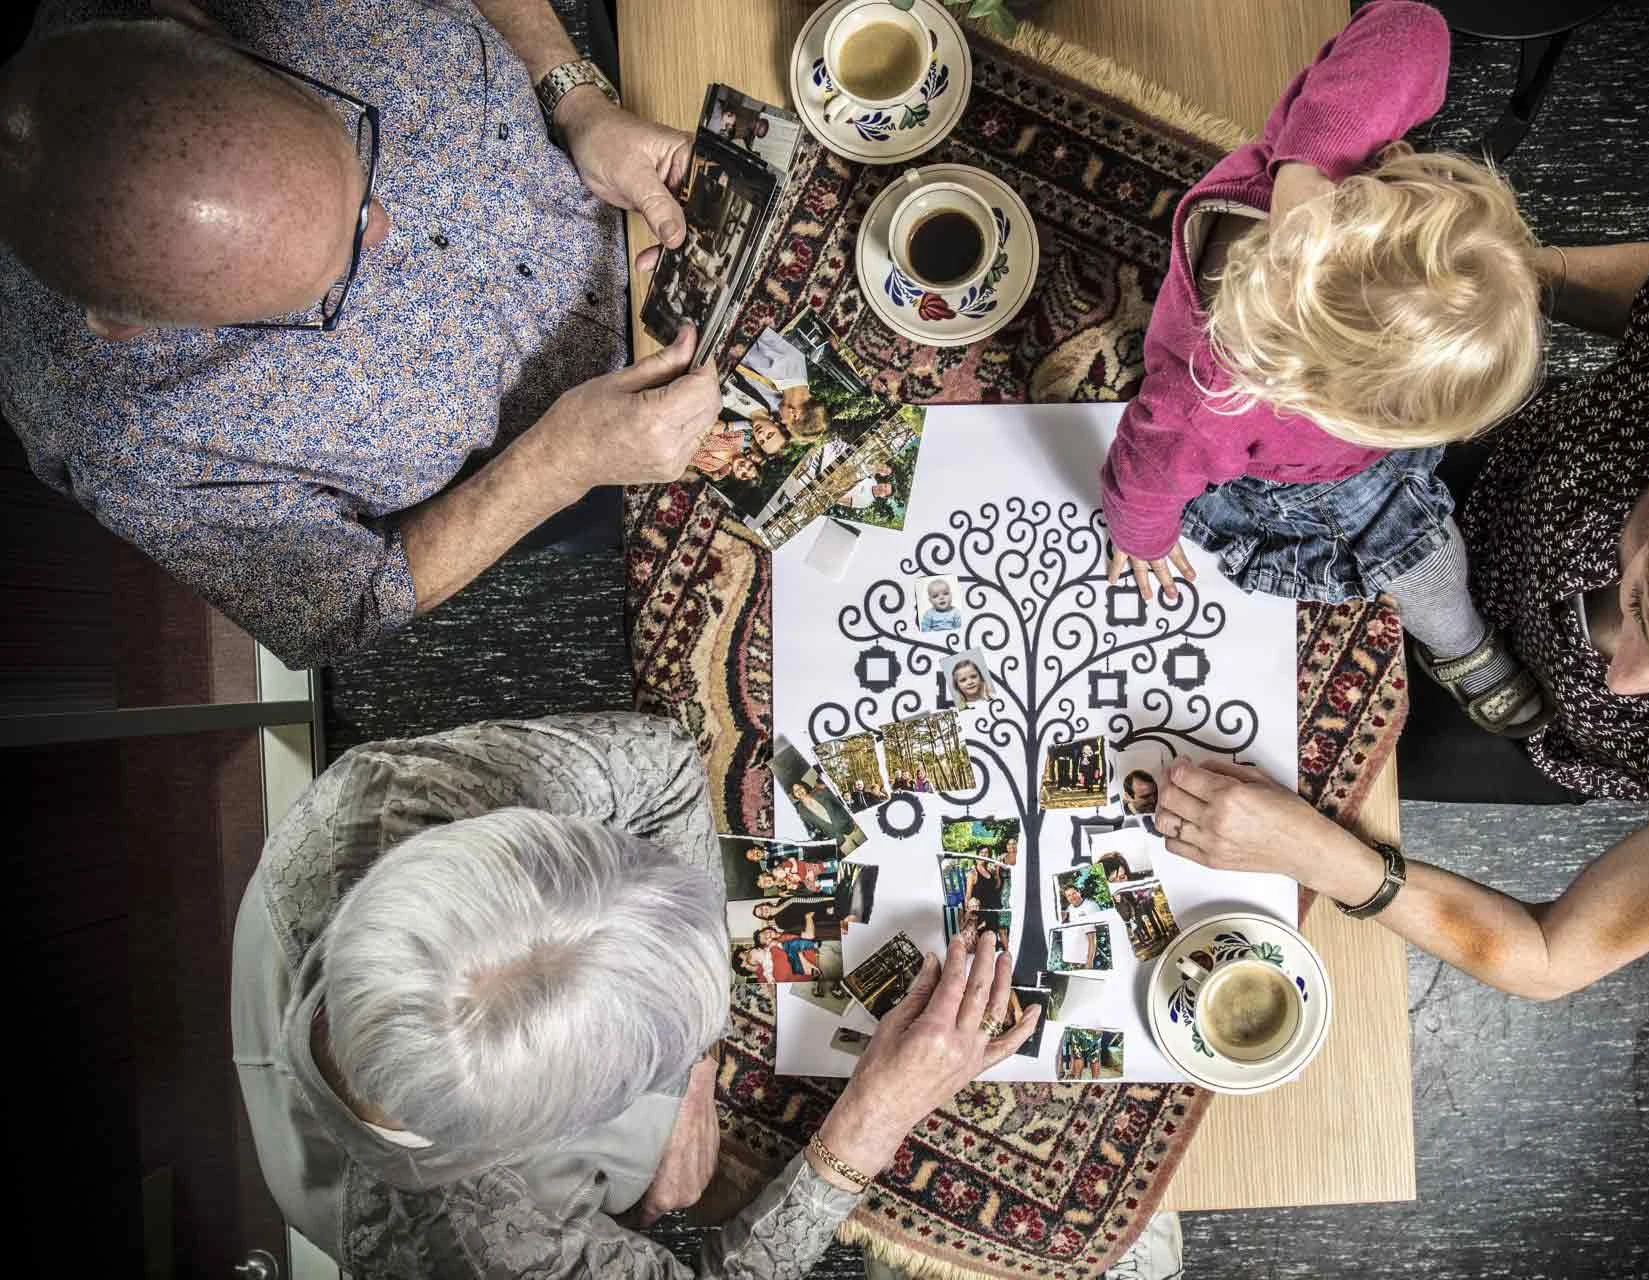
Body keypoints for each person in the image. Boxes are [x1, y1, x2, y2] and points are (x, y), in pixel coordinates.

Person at [1153, 243, 1649, 1000]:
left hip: (1519, 728)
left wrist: (1321, 857)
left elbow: (1551, 957)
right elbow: (1498, 270)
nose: (1620, 682)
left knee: (1248, 779)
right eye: (1646, 603)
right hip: (1467, 477)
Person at [0, 2, 720, 668]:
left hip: (626, 122)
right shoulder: (133, 447)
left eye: (353, 153)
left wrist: (576, 98)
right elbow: (342, 610)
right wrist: (562, 465)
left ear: (199, 26)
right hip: (599, 444)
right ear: (134, 324)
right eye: (329, 281)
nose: (381, 227)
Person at [232, 711, 1041, 1275]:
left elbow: (660, 765)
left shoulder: (375, 798)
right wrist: (873, 1120)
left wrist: (696, 1078)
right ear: (571, 1125)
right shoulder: (483, 1253)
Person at [1100, 0, 1549, 737]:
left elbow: (1414, 26)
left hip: (1327, 408)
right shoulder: (1207, 402)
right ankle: (1462, 645)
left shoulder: (1329, 173)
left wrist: (1305, 162)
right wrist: (1139, 539)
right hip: (1309, 494)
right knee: (1428, 562)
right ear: (1315, 396)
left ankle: (1456, 633)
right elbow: (1146, 466)